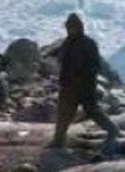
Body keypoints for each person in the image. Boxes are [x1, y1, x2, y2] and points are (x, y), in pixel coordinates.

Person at [51, 13, 121, 148]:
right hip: (68, 85)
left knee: (92, 110)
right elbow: (62, 60)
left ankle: (113, 130)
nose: (70, 30)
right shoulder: (67, 43)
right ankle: (58, 140)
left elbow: (94, 65)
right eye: (68, 27)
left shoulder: (88, 44)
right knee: (64, 113)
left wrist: (86, 80)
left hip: (85, 86)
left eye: (72, 27)